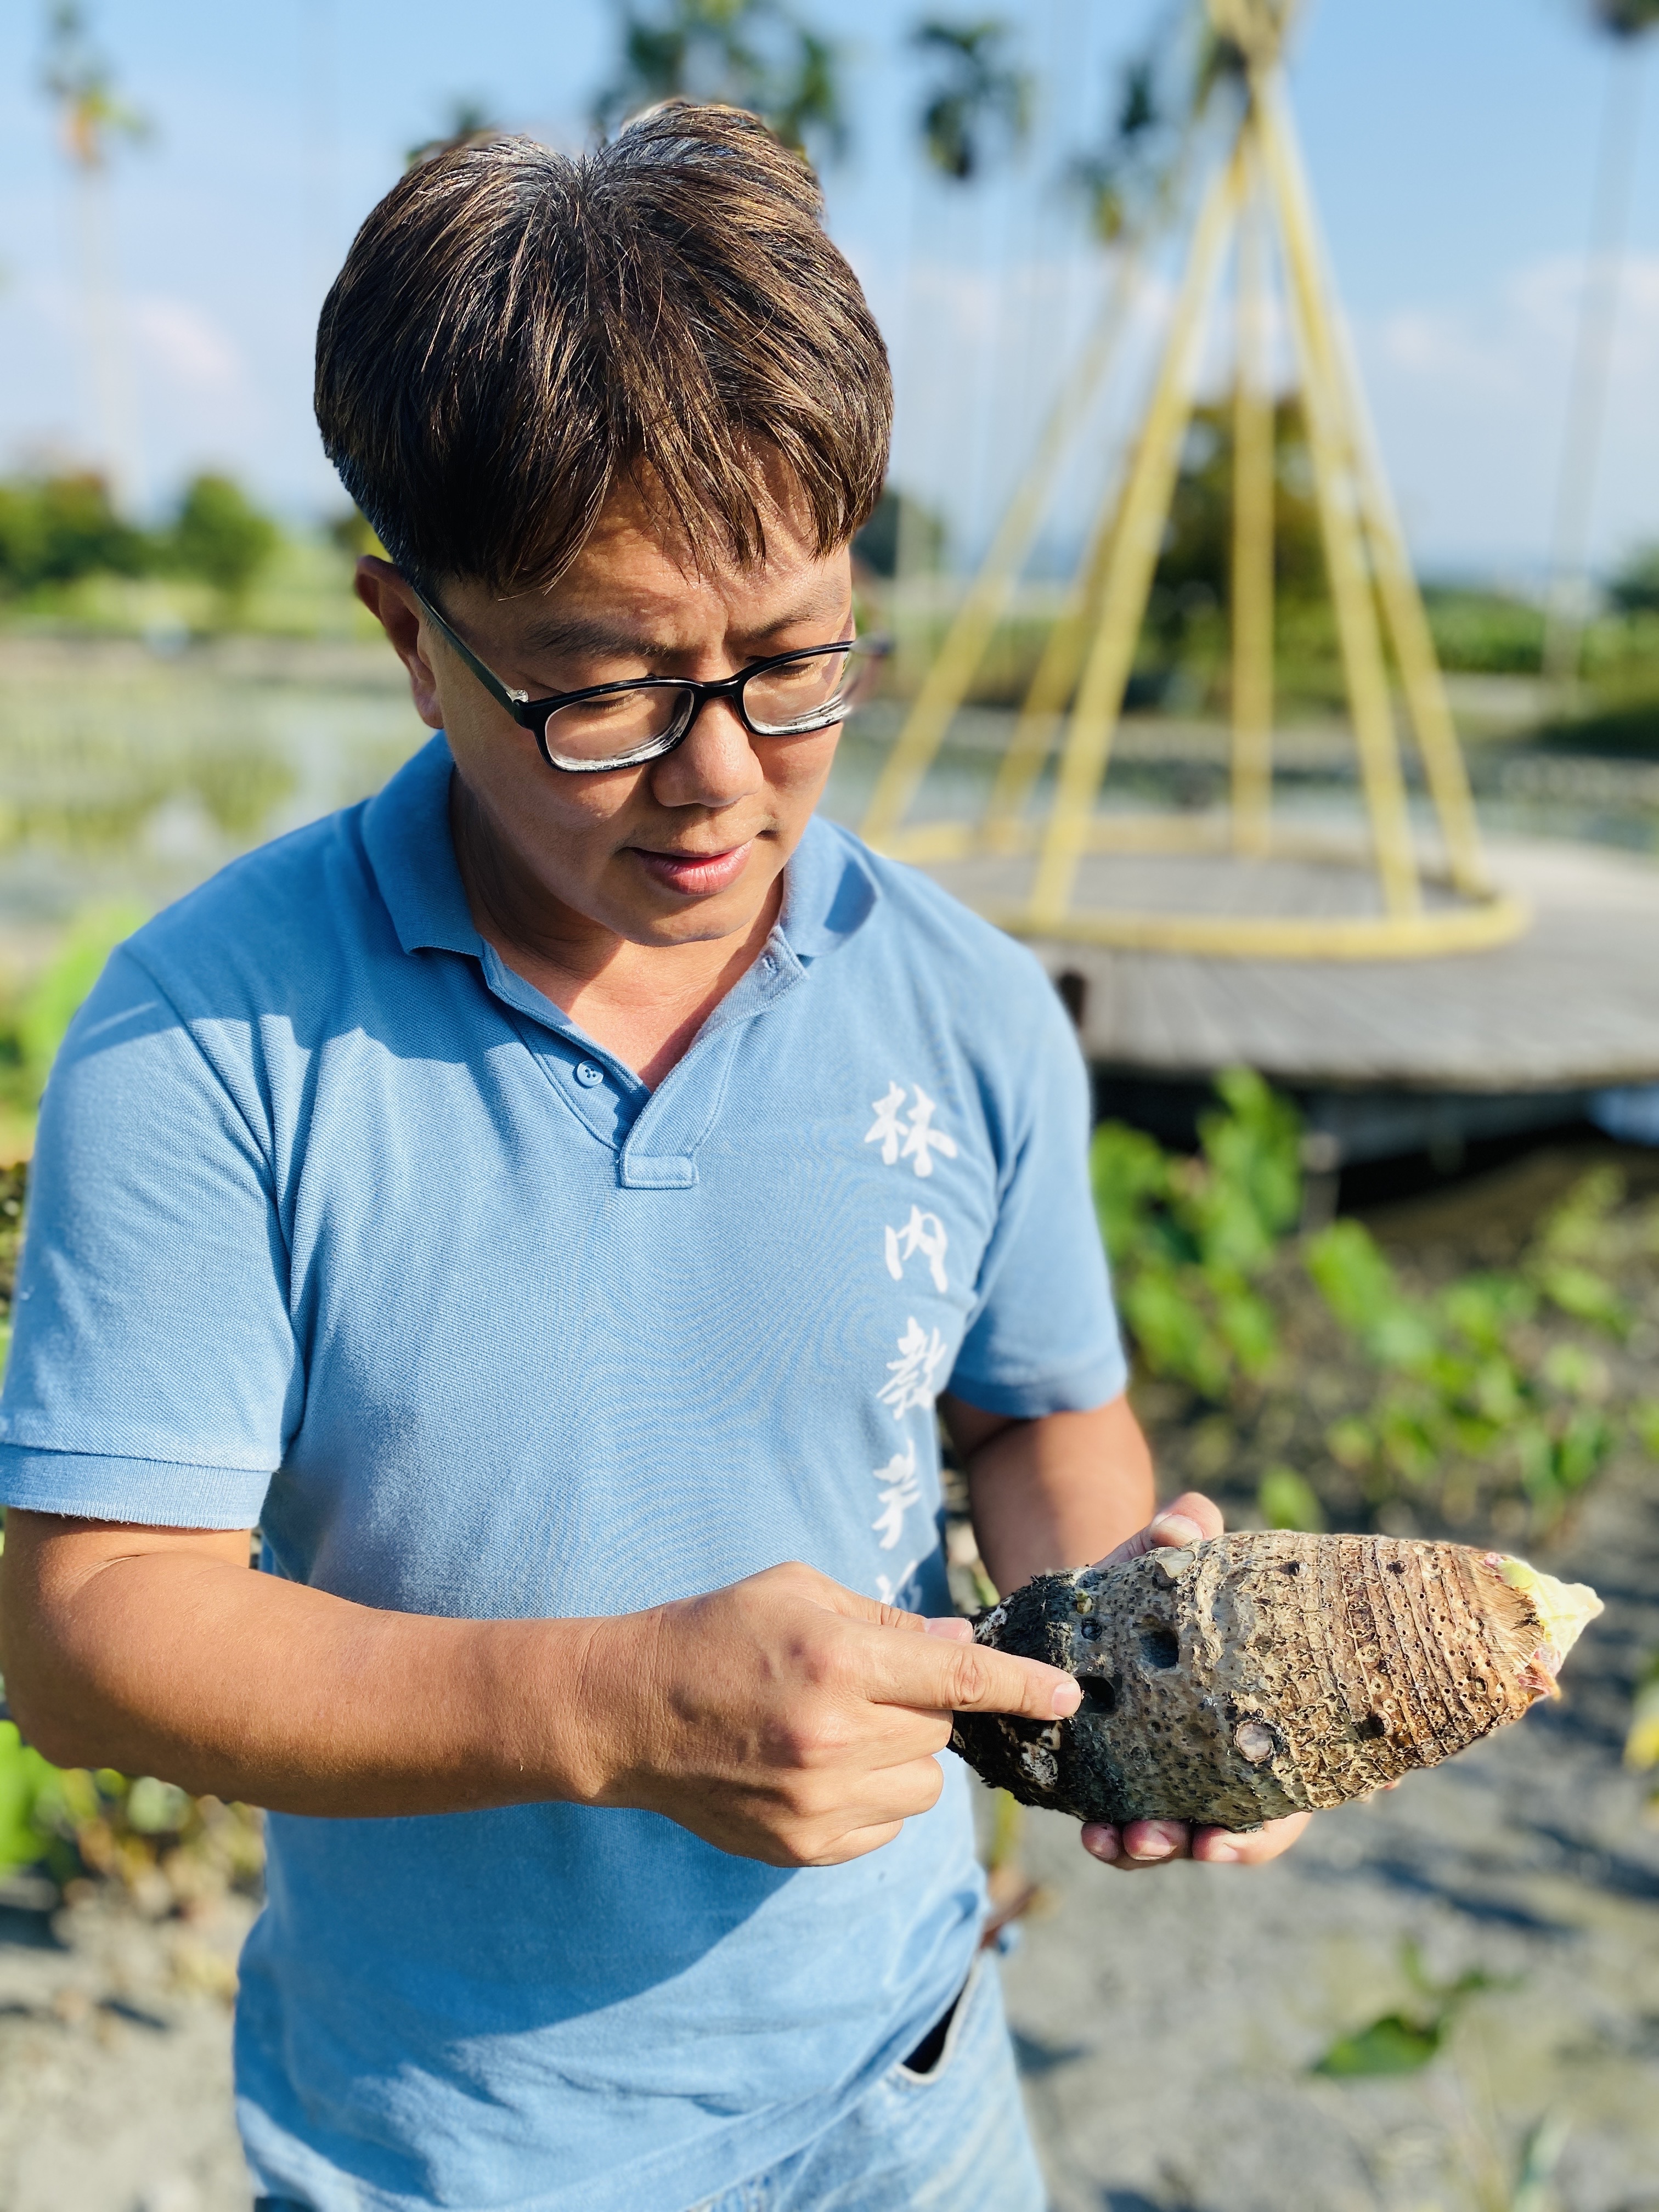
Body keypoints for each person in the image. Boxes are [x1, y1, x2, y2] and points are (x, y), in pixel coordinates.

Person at [0, 105, 1305, 2212]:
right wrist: (611, 1703)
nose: (720, 783)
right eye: (604, 693)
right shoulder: (208, 1035)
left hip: (912, 2097)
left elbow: (1044, 1411)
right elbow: (84, 1632)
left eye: (793, 666)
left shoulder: (962, 1004)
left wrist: (1142, 1627)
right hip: (443, 2152)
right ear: (414, 640)